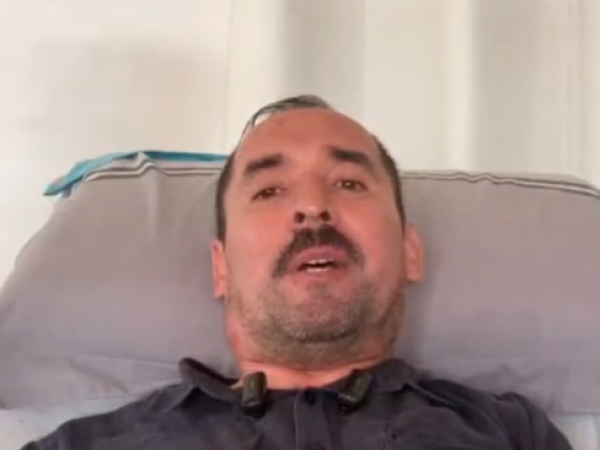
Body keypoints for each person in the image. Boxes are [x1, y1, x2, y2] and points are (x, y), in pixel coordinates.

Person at [23, 95, 572, 449]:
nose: (312, 206)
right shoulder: (90, 444)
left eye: (349, 183)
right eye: (269, 191)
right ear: (221, 267)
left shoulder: (509, 433)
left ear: (411, 252)